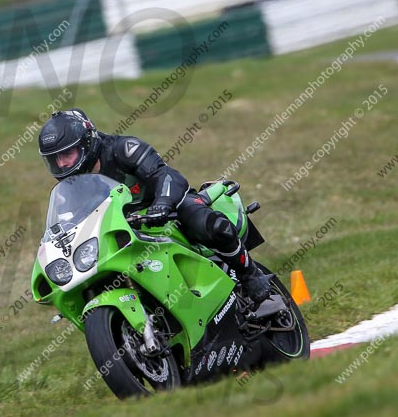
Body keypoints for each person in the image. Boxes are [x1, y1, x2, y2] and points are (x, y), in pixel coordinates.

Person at [37, 108, 272, 304]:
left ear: (87, 143)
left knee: (206, 224)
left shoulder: (124, 149)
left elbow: (166, 175)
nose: (62, 163)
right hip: (124, 229)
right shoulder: (71, 188)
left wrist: (162, 204)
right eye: (55, 159)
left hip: (166, 208)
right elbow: (70, 220)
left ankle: (250, 274)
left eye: (67, 154)